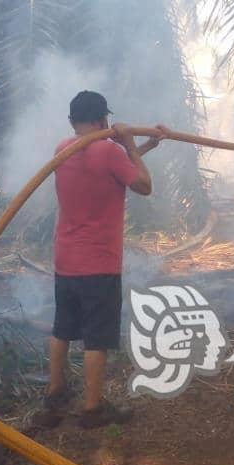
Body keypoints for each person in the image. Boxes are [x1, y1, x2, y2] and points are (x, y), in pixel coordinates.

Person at [40, 90, 166, 429]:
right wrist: (126, 142)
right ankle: (93, 408)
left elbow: (105, 167)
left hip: (65, 259)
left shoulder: (62, 150)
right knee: (97, 336)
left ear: (72, 121)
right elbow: (143, 184)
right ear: (102, 120)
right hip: (98, 262)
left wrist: (143, 147)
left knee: (62, 327)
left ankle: (55, 391)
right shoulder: (109, 151)